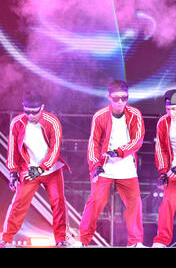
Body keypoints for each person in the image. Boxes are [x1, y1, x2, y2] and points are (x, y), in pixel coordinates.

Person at [77, 80, 145, 247]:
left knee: (134, 203)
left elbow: (138, 139)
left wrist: (119, 152)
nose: (121, 102)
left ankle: (135, 243)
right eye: (116, 99)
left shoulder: (135, 114)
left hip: (126, 165)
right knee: (95, 202)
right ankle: (82, 241)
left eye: (124, 98)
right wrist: (95, 166)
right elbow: (93, 142)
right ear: (109, 98)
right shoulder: (100, 116)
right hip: (104, 166)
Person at [1, 90, 69, 247]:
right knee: (18, 204)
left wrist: (41, 168)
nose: (30, 116)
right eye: (27, 112)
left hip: (51, 170)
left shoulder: (53, 122)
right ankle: (6, 239)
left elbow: (55, 149)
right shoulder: (17, 123)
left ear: (42, 107)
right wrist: (13, 172)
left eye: (34, 112)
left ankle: (60, 240)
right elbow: (12, 150)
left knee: (58, 203)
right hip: (28, 170)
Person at [152, 89, 176, 248]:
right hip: (175, 170)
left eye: (174, 109)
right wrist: (163, 172)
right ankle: (161, 241)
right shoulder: (163, 122)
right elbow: (160, 149)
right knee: (167, 203)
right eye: (168, 109)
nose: (170, 112)